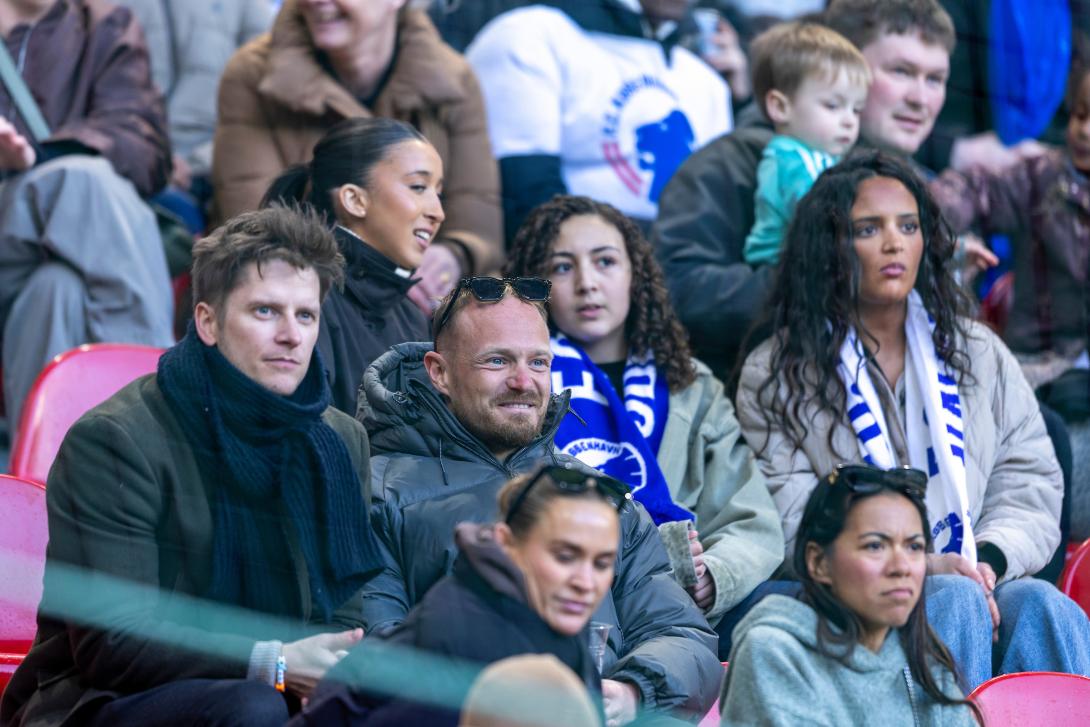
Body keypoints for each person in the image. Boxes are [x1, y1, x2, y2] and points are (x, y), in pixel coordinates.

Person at [0, 207, 385, 726]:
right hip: (99, 700)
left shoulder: (339, 441)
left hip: (273, 691)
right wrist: (270, 662)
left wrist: (324, 667)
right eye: (266, 311)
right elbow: (114, 645)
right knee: (254, 706)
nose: (291, 335)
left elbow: (344, 615)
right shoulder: (116, 440)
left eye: (306, 316)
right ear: (207, 322)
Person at [735, 151, 1090, 689]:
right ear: (828, 247)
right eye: (867, 229)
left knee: (1042, 604)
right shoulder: (776, 373)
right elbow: (792, 521)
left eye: (908, 226)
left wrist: (986, 560)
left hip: (976, 571)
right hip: (846, 599)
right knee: (950, 598)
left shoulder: (976, 350)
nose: (894, 243)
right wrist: (916, 566)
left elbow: (1029, 479)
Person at [357, 278, 722, 724]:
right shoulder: (375, 491)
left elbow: (683, 635)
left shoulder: (604, 498)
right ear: (439, 372)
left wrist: (630, 693)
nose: (523, 382)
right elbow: (372, 652)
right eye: (497, 361)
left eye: (538, 362)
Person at [504, 195, 783, 651]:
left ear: (636, 274)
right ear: (536, 285)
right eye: (562, 267)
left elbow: (750, 517)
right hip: (568, 598)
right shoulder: (519, 384)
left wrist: (715, 576)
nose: (587, 283)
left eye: (606, 262)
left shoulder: (692, 386)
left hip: (690, 605)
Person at [653, 0, 958, 382]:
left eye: (936, 79)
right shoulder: (725, 166)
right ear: (835, 58)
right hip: (754, 392)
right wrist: (817, 281)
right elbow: (675, 291)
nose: (921, 98)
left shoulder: (907, 182)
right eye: (901, 71)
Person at [213, 0, 502, 314]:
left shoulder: (454, 80)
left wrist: (452, 257)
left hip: (427, 306)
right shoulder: (253, 75)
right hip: (307, 300)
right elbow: (256, 229)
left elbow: (479, 225)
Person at [293, 465, 630, 725]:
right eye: (565, 557)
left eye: (602, 563)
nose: (586, 582)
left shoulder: (545, 611)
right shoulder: (465, 637)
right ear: (506, 543)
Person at [0, 0, 174, 431]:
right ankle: (159, 421)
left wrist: (38, 158)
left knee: (56, 290)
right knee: (84, 180)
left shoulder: (102, 24)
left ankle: (46, 464)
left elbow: (143, 150)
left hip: (67, 253)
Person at [721, 464, 978, 726]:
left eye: (914, 547)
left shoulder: (925, 664)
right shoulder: (773, 652)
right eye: (875, 546)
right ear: (819, 562)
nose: (902, 567)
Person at [465, 0, 732, 241]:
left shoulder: (707, 81)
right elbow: (527, 201)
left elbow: (718, 222)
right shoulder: (529, 36)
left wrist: (747, 104)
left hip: (676, 272)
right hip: (566, 270)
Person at [262, 117, 440, 414]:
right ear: (355, 200)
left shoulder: (411, 315)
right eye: (418, 187)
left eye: (439, 193)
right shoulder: (305, 297)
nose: (438, 212)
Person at [121, 0, 273, 229]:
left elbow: (263, 111)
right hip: (134, 163)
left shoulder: (249, 8)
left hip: (209, 169)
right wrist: (147, 157)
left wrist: (198, 162)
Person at [742, 22, 870, 267]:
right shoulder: (794, 160)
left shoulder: (814, 156)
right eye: (832, 105)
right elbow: (824, 220)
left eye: (856, 109)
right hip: (782, 269)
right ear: (781, 107)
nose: (849, 121)